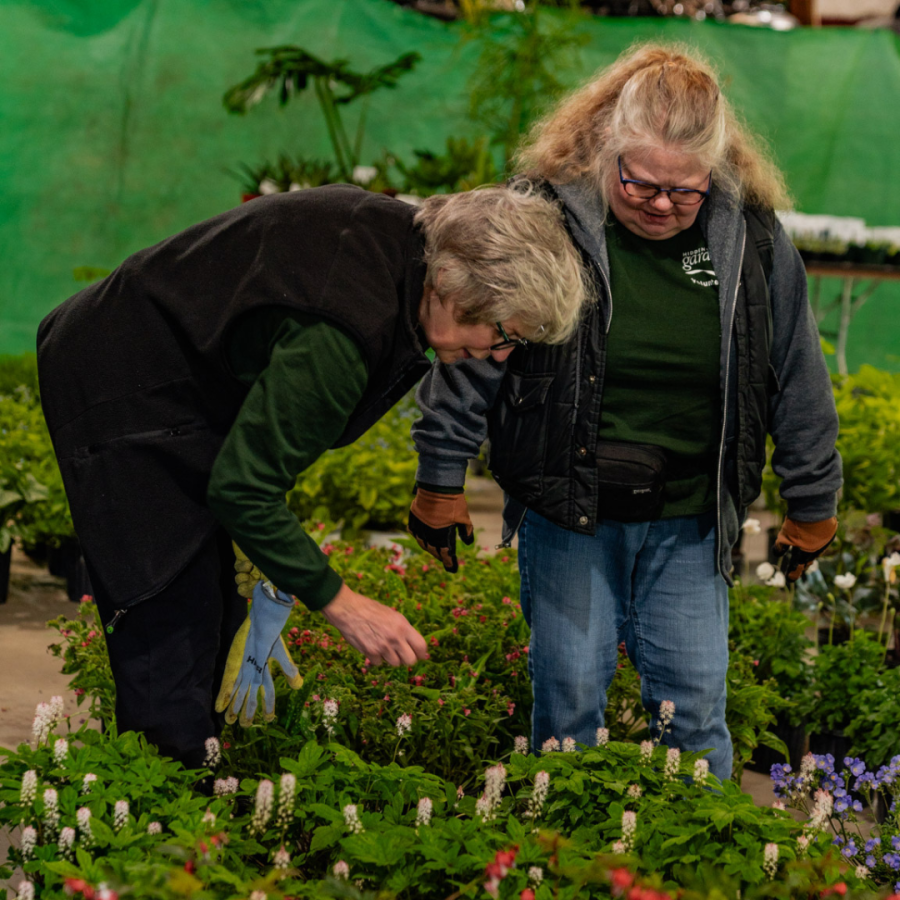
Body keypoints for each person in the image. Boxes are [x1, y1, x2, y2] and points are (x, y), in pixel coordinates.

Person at [36, 182, 589, 767]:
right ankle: (160, 823)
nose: (500, 355)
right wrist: (344, 604)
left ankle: (191, 789)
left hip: (180, 385)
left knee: (218, 613)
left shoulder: (406, 247)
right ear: (454, 284)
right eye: (504, 335)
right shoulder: (343, 330)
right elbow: (243, 489)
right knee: (168, 624)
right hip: (122, 391)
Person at [407, 44, 842, 782]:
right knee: (570, 701)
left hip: (689, 520)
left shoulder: (754, 242)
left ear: (718, 169)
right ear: (605, 145)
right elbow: (476, 348)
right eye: (639, 180)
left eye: (686, 189)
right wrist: (440, 478)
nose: (661, 202)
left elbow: (797, 374)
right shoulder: (546, 218)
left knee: (696, 710)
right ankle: (568, 861)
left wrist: (814, 498)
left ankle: (690, 869)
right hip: (569, 511)